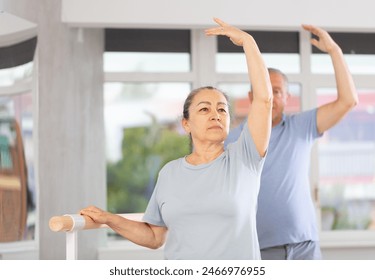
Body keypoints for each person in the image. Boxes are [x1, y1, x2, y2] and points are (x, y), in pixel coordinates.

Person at [80, 17, 273, 260]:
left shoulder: (245, 158)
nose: (215, 114)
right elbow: (154, 237)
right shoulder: (169, 174)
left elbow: (264, 101)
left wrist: (248, 42)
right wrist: (109, 219)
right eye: (204, 109)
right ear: (186, 124)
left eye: (222, 109)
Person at [225, 24, 358, 260]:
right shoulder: (233, 140)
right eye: (265, 90)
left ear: (287, 97)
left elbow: (348, 100)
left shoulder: (301, 126)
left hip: (305, 245)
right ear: (251, 97)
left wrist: (335, 50)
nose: (272, 97)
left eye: (277, 91)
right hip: (258, 248)